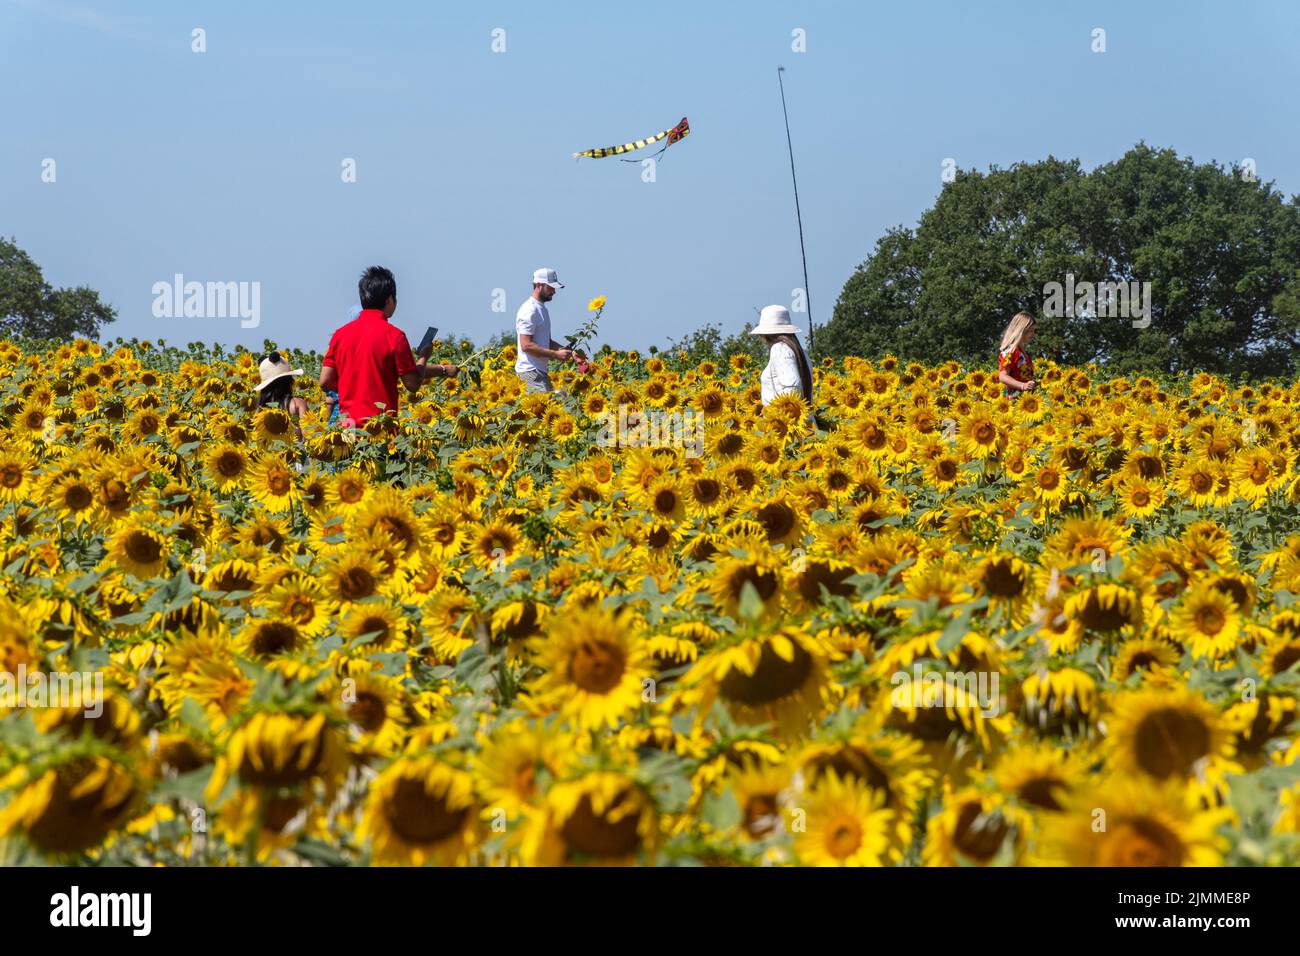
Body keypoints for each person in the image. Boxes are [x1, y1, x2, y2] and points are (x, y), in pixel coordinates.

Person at [319, 266, 458, 430]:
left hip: (347, 430)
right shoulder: (394, 336)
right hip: (382, 431)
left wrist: (352, 388)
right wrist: (423, 356)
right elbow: (412, 384)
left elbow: (325, 381)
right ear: (389, 300)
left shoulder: (340, 335)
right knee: (382, 456)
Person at [515, 268, 583, 394]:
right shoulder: (529, 310)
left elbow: (548, 342)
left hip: (538, 371)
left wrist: (571, 353)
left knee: (558, 402)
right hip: (530, 373)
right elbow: (526, 345)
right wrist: (555, 355)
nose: (554, 292)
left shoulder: (542, 309)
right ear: (539, 285)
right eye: (551, 287)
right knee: (548, 408)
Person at [750, 305, 814, 407]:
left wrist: (786, 415)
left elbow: (792, 386)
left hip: (786, 419)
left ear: (765, 334)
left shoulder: (780, 349)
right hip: (801, 418)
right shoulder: (800, 351)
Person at [256, 351, 310, 444]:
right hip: (293, 454)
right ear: (289, 381)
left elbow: (256, 433)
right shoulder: (297, 403)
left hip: (268, 455)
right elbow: (306, 434)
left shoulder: (260, 408)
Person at [997, 311, 1037, 398]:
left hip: (1023, 401)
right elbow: (1003, 376)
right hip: (1012, 402)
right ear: (1021, 330)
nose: (1033, 334)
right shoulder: (1011, 352)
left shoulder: (1023, 353)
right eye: (1030, 330)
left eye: (1034, 330)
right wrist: (1023, 386)